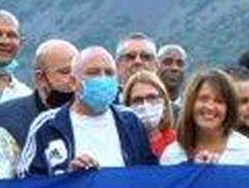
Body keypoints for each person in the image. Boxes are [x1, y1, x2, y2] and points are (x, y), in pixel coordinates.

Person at [19, 46, 157, 175]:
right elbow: (27, 181)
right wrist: (66, 177)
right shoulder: (47, 126)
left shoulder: (129, 120)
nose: (103, 79)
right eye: (93, 73)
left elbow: (148, 173)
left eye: (109, 73)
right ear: (73, 82)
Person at [0, 38, 77, 147]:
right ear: (40, 77)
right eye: (65, 72)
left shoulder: (89, 117)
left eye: (77, 71)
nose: (73, 79)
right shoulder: (1, 119)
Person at [123, 69, 176, 158]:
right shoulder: (121, 146)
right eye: (137, 100)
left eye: (152, 97)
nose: (145, 105)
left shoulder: (179, 143)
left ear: (164, 104)